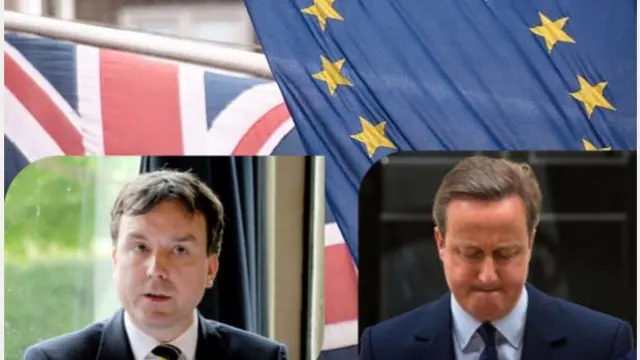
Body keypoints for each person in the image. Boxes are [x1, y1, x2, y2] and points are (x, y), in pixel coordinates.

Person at [359, 155, 633, 360]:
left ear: (530, 243)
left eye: (505, 253)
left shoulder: (602, 345)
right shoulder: (384, 349)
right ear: (440, 243)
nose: (488, 275)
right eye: (471, 253)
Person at [25, 170, 288, 360]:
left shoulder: (265, 357)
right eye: (140, 248)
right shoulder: (52, 358)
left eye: (179, 250)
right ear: (116, 261)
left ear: (210, 269)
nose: (156, 270)